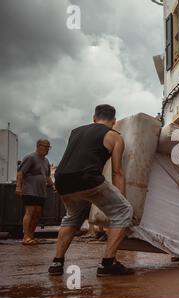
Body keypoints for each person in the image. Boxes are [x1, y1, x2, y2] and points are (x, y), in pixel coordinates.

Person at [48, 104, 134, 277]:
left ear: (94, 119)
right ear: (114, 121)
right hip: (87, 178)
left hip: (62, 180)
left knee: (73, 217)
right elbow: (117, 172)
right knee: (124, 210)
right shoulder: (115, 136)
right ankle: (108, 264)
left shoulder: (76, 132)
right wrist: (121, 200)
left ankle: (56, 263)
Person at [16, 139, 54, 245]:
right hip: (29, 190)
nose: (47, 149)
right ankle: (25, 237)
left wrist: (54, 186)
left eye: (48, 147)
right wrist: (18, 187)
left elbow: (47, 176)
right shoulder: (30, 157)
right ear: (38, 146)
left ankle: (31, 236)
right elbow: (20, 173)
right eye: (45, 147)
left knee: (37, 213)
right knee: (30, 211)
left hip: (41, 192)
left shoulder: (46, 161)